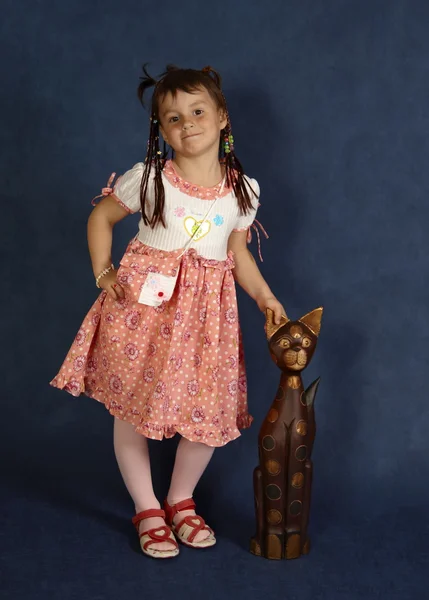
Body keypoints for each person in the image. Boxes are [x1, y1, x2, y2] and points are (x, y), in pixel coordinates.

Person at [50, 64, 286, 559]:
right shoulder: (152, 178)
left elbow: (238, 255)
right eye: (173, 118)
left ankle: (180, 498)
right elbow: (102, 216)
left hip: (206, 325)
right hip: (144, 317)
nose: (188, 123)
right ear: (161, 129)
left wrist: (266, 298)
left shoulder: (243, 191)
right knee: (132, 410)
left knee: (207, 414)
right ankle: (147, 508)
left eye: (198, 112)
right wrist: (103, 271)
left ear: (223, 118)